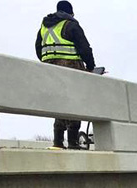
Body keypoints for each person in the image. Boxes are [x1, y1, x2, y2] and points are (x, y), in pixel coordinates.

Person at [35, 1, 96, 149]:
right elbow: (84, 49)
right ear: (70, 13)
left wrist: (49, 61)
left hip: (50, 70)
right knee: (75, 104)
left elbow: (38, 49)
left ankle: (57, 142)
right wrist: (91, 67)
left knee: (59, 104)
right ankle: (73, 143)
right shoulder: (70, 25)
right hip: (71, 68)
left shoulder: (44, 27)